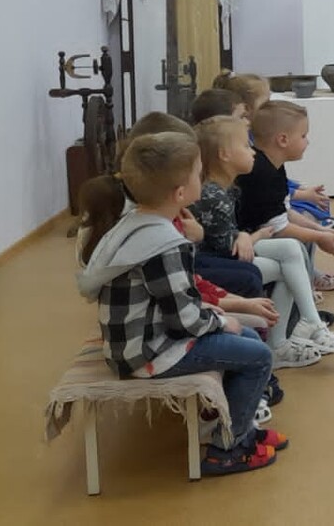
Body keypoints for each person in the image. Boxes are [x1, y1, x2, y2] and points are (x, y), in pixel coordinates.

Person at [75, 132, 284, 476]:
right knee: (259, 356)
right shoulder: (164, 243)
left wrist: (215, 314)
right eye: (199, 172)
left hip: (136, 343)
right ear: (180, 193)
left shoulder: (137, 224)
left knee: (246, 336)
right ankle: (228, 450)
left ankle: (239, 428)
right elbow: (184, 320)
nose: (203, 176)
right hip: (149, 353)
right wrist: (222, 321)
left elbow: (175, 298)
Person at [193, 116, 334, 368]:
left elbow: (235, 236)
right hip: (215, 261)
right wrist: (251, 236)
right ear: (224, 155)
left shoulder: (229, 188)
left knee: (290, 250)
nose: (253, 151)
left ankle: (301, 327)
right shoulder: (213, 194)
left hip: (231, 252)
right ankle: (286, 339)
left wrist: (246, 236)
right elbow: (226, 247)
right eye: (246, 146)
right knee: (287, 261)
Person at [236, 101, 334, 288]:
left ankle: (308, 283)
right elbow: (278, 228)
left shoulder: (274, 166)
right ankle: (304, 295)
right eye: (303, 136)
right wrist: (319, 237)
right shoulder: (262, 173)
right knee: (296, 244)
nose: (307, 142)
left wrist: (322, 231)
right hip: (248, 239)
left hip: (261, 232)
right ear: (283, 140)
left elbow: (284, 211)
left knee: (309, 227)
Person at [214, 71, 334, 235]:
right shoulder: (249, 147)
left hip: (270, 210)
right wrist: (317, 233)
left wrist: (299, 190)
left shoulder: (261, 149)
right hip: (252, 227)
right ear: (247, 108)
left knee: (313, 209)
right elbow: (266, 191)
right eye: (266, 102)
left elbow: (278, 188)